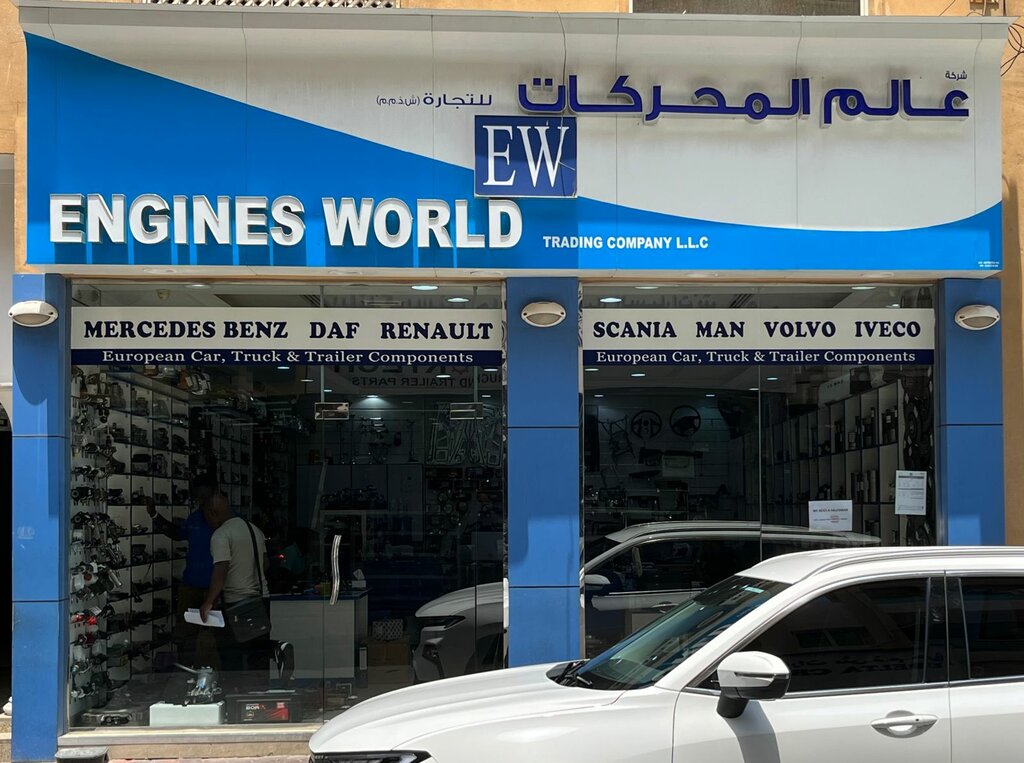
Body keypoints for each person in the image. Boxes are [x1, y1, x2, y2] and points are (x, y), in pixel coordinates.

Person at [199, 491, 271, 693]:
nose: (208, 523)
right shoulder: (254, 529)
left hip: (236, 604)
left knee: (232, 662)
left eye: (207, 517)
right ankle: (258, 697)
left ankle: (235, 698)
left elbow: (220, 569)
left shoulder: (221, 535)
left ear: (213, 512)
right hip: (260, 601)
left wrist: (209, 601)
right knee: (258, 659)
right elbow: (265, 563)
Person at [146, 475, 220, 668]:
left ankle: (213, 674)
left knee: (213, 638)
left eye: (206, 497)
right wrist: (154, 515)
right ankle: (187, 673)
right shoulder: (195, 518)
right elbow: (176, 534)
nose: (202, 501)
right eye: (199, 497)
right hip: (191, 585)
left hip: (216, 588)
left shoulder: (227, 519)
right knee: (186, 637)